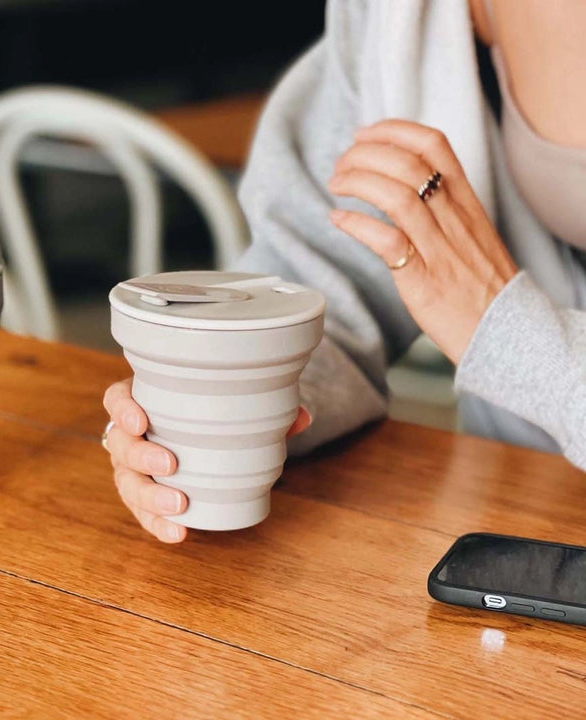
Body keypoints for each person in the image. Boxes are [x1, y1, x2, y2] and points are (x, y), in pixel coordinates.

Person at [103, 0, 586, 543]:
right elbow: (321, 274)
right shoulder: (388, 15)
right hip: (512, 520)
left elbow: (496, 323)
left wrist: (514, 337)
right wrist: (235, 392)